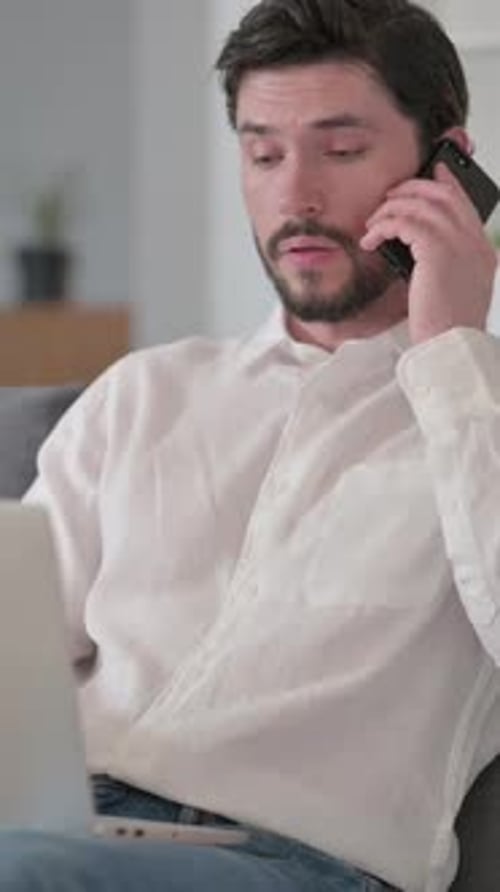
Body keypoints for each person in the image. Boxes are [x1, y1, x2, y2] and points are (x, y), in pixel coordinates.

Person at [2, 0, 500, 890]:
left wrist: (451, 352)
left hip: (297, 866)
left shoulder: (479, 416)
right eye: (263, 153)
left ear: (449, 168)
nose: (294, 194)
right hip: (73, 829)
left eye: (341, 151)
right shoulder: (146, 394)